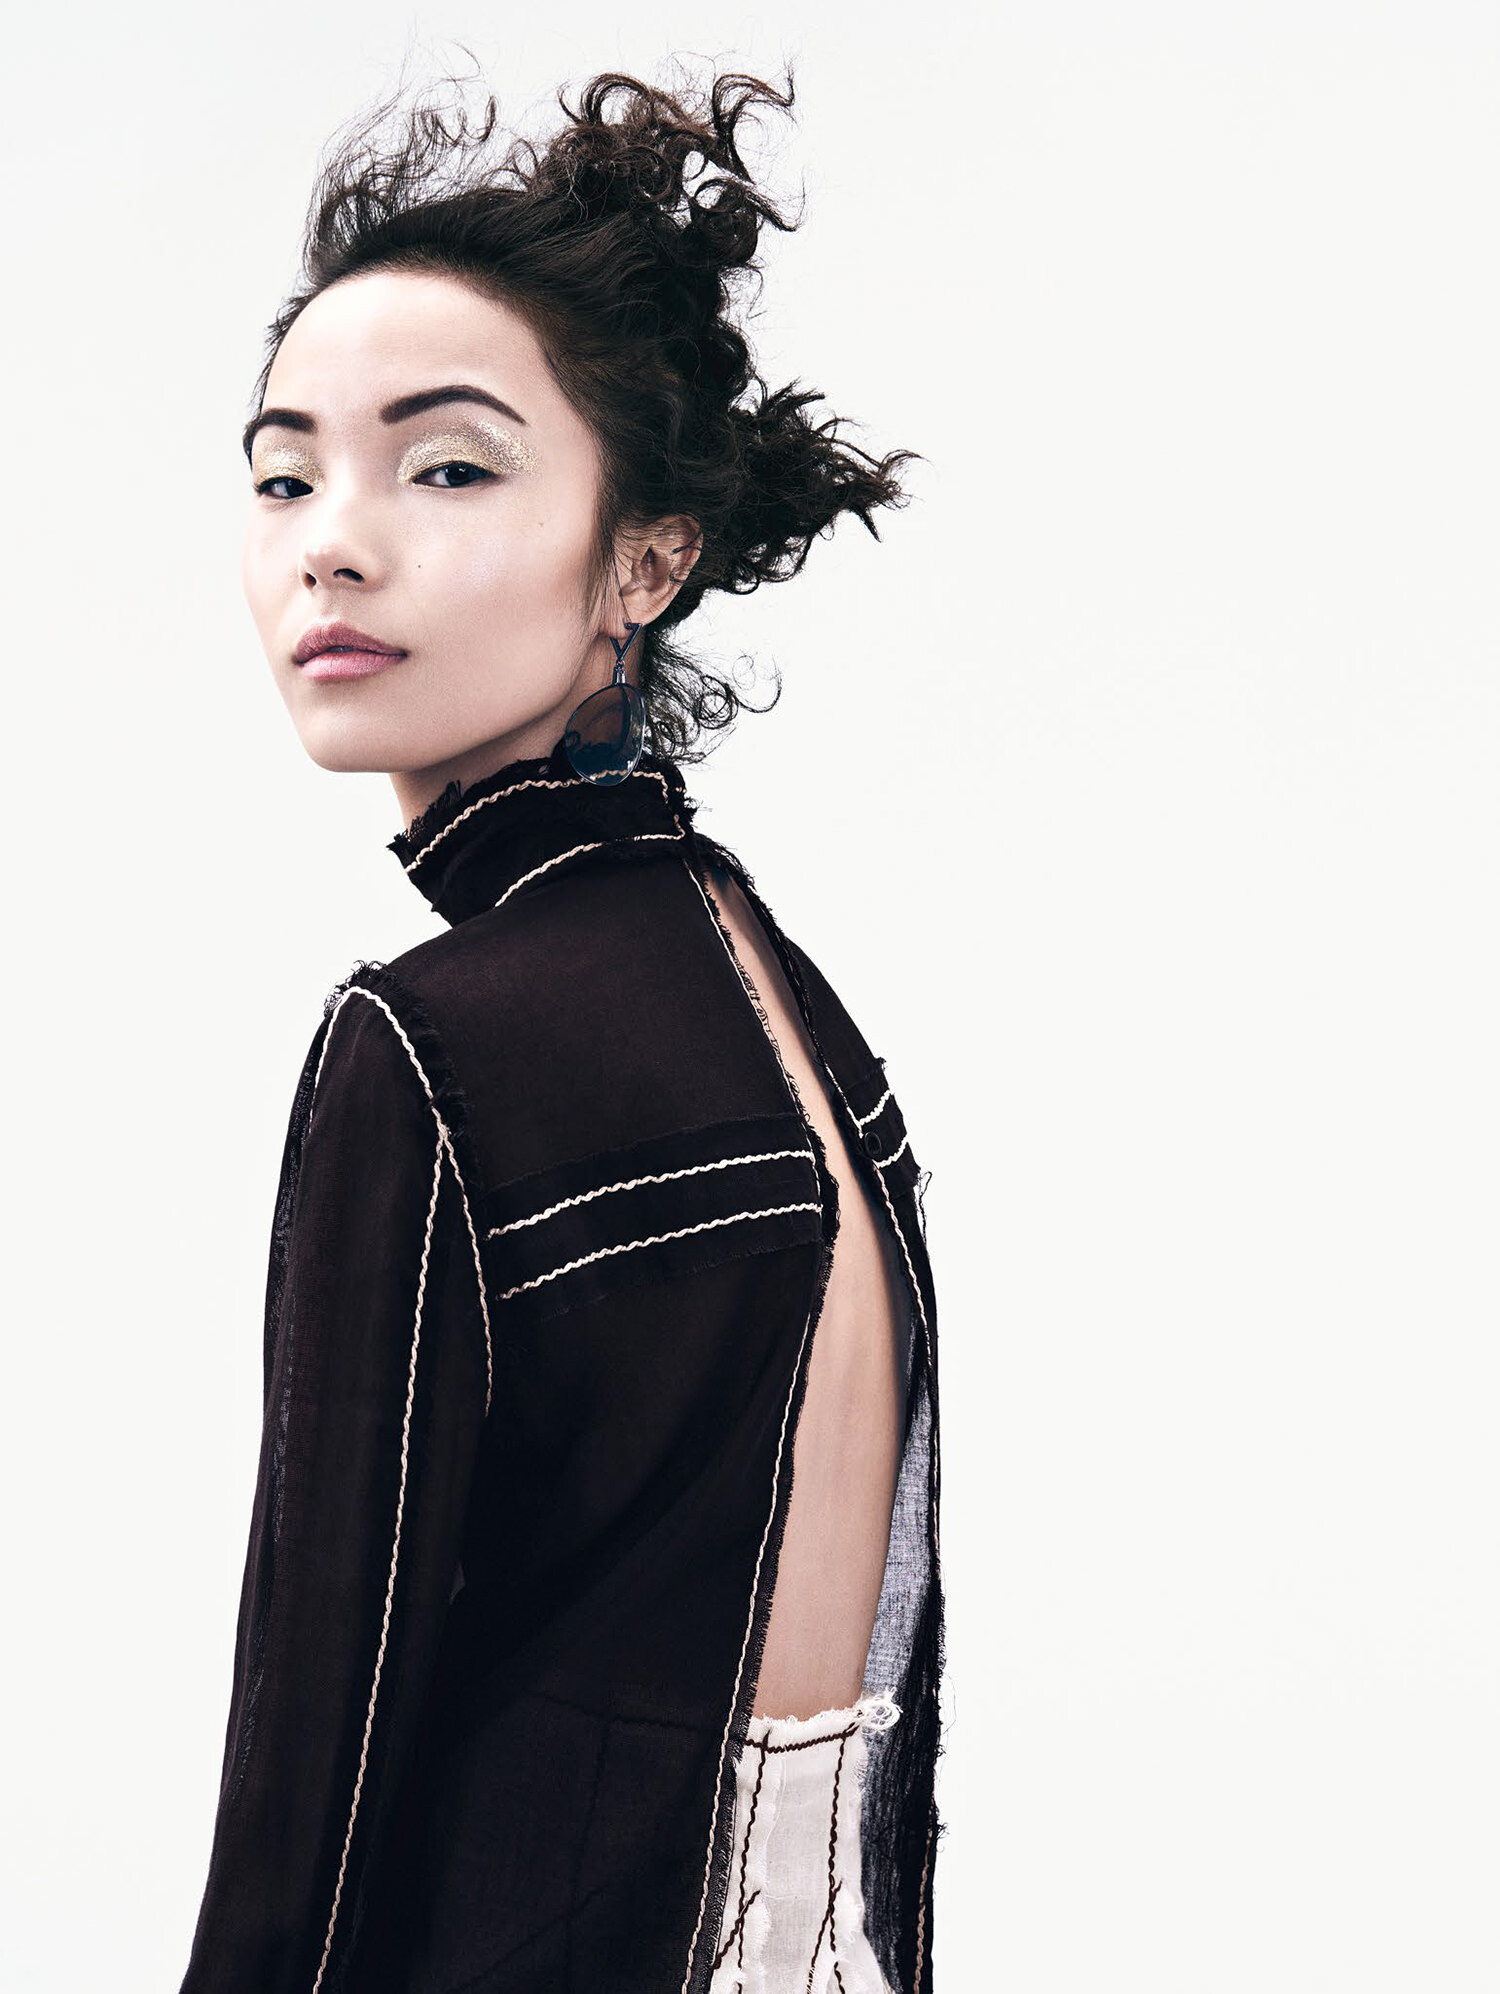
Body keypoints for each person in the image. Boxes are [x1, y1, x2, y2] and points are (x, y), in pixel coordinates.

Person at [178, 59, 946, 1994]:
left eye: (447, 468)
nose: (332, 543)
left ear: (646, 559)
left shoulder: (435, 1049)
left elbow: (314, 1781)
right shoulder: (769, 982)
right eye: (285, 475)